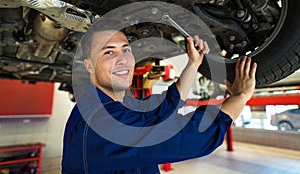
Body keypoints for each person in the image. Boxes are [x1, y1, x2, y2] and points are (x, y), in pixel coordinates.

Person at [62, 20, 257, 173]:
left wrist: (193, 64)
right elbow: (192, 138)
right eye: (109, 52)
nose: (122, 60)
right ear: (89, 65)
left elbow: (161, 110)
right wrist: (240, 97)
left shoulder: (117, 103)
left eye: (126, 49)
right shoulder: (96, 123)